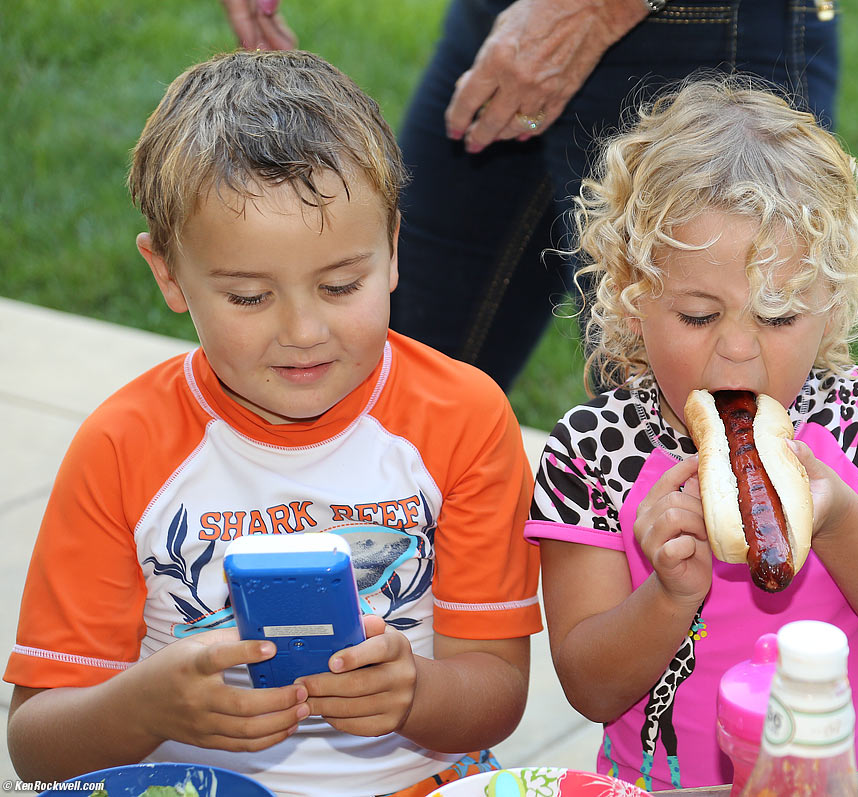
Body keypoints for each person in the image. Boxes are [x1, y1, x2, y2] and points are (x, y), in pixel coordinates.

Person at [4, 49, 542, 797]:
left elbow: (496, 692)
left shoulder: (464, 417)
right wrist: (144, 703)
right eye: (250, 297)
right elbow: (36, 745)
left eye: (340, 284)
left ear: (391, 246)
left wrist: (414, 692)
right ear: (168, 274)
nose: (303, 329)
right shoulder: (122, 445)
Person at [524, 76, 858, 790]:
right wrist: (668, 591)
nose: (738, 350)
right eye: (700, 315)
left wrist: (841, 521)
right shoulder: (590, 452)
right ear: (635, 301)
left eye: (779, 316)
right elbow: (589, 686)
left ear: (831, 306)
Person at [218, 0, 841, 391]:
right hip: (502, 15)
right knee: (401, 376)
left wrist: (591, 9)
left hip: (701, 24)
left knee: (686, 411)